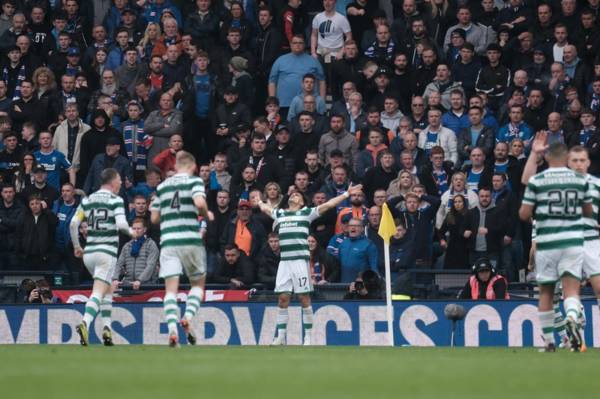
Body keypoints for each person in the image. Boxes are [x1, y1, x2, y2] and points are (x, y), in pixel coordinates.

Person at [252, 182, 364, 345]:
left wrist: (346, 194)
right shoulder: (280, 214)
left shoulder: (306, 213)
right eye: (292, 194)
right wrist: (260, 201)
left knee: (304, 298)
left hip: (299, 262)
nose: (294, 195)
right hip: (285, 263)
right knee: (283, 298)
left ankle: (308, 337)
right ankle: (281, 337)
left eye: (298, 195)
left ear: (302, 202)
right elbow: (267, 210)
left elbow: (328, 204)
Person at [519, 141, 593, 352]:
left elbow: (524, 214)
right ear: (567, 158)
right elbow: (588, 211)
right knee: (572, 291)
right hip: (572, 242)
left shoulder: (538, 180)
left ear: (548, 157)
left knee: (546, 294)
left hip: (547, 243)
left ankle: (550, 342)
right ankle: (572, 319)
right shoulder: (579, 180)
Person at [150, 151, 214, 347]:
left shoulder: (161, 187)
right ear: (194, 167)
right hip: (190, 240)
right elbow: (199, 202)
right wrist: (206, 213)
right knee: (197, 285)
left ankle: (171, 330)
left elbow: (153, 218)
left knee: (170, 290)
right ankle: (186, 316)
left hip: (169, 241)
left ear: (176, 166)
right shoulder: (194, 182)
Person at [70, 168, 132, 346]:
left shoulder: (87, 200)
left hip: (89, 252)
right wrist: (132, 232)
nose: (121, 183)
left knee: (107, 290)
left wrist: (76, 245)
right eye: (119, 179)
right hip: (107, 253)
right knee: (98, 291)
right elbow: (121, 224)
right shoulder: (116, 200)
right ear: (112, 182)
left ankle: (107, 329)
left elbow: (74, 223)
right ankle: (85, 323)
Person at [112, 218, 159, 288]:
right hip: (128, 285)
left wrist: (139, 280)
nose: (136, 231)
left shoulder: (151, 244)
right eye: (134, 229)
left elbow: (151, 265)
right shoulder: (127, 246)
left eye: (139, 228)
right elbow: (119, 264)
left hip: (146, 285)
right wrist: (115, 279)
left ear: (145, 229)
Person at [438, 193, 469, 269]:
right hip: (452, 248)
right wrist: (442, 240)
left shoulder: (469, 215)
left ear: (464, 203)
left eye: (460, 201)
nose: (457, 204)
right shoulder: (450, 215)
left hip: (466, 248)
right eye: (455, 202)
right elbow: (441, 232)